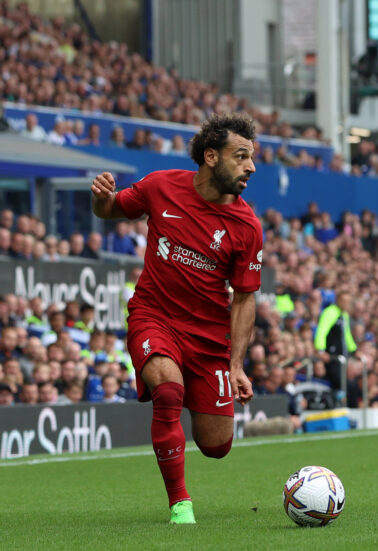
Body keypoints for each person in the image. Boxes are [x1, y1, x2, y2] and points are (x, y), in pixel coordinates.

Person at [90, 113, 262, 524]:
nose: (251, 167)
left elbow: (244, 299)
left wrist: (236, 365)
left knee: (216, 445)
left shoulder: (247, 226)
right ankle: (180, 503)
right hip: (154, 316)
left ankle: (190, 392)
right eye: (241, 156)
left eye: (252, 157)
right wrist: (101, 197)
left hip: (207, 338)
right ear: (211, 156)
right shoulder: (161, 186)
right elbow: (110, 210)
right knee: (167, 391)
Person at [313, 291, 357, 397]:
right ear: (338, 300)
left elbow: (347, 335)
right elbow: (322, 331)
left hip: (342, 357)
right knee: (339, 382)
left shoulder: (344, 315)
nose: (345, 304)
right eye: (343, 301)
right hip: (332, 356)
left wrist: (354, 350)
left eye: (348, 301)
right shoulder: (330, 312)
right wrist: (320, 350)